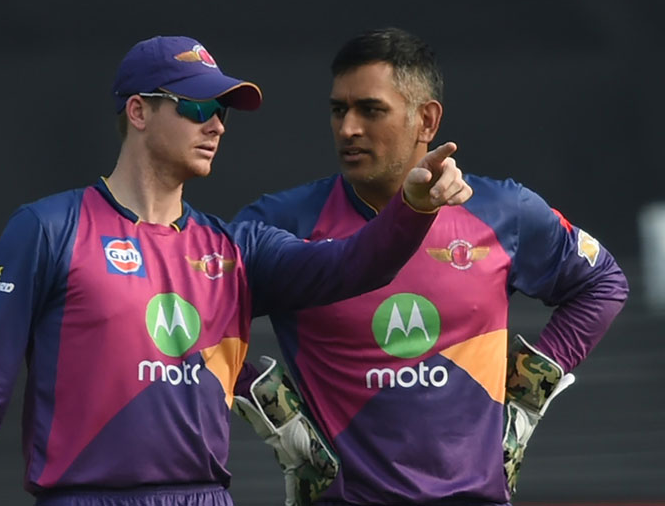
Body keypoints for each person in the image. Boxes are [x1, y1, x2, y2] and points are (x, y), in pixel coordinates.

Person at [0, 35, 473, 506]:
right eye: (196, 106)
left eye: (223, 111)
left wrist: (412, 207)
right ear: (138, 111)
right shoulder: (47, 228)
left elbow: (355, 265)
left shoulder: (236, 249)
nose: (215, 124)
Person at [232, 28, 629, 506]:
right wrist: (270, 410)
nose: (348, 128)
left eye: (370, 110)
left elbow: (603, 283)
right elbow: (195, 313)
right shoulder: (281, 223)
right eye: (338, 110)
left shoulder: (503, 211)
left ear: (426, 120)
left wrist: (529, 394)